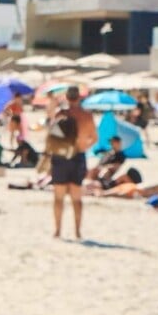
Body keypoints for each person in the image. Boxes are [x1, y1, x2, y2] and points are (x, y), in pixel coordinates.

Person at [49, 86, 96, 239]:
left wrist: (54, 101)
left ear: (67, 98)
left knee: (58, 197)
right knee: (77, 198)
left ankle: (57, 230)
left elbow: (51, 130)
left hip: (61, 157)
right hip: (78, 156)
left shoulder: (60, 114)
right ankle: (77, 231)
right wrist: (83, 147)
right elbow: (94, 139)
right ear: (79, 98)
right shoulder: (87, 116)